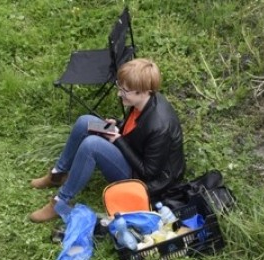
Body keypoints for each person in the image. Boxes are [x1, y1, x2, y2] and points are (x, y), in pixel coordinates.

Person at [28, 58, 186, 223]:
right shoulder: (143, 100)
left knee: (91, 146)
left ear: (142, 91)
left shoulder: (160, 127)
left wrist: (117, 140)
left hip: (144, 180)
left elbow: (148, 172)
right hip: (132, 150)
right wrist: (118, 124)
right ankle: (57, 174)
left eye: (124, 91)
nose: (119, 93)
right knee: (85, 121)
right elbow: (135, 127)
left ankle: (60, 202)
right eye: (120, 87)